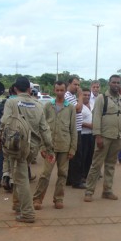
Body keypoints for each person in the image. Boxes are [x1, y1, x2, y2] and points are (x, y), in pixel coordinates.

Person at [0, 76, 52, 223]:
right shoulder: (38, 105)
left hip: (16, 147)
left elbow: (4, 122)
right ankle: (17, 205)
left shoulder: (11, 102)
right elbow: (45, 129)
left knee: (21, 178)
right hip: (32, 148)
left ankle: (28, 213)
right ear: (29, 89)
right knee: (19, 174)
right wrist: (49, 148)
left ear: (15, 89)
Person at [33, 81, 77, 210]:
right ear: (54, 90)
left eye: (62, 90)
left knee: (63, 174)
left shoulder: (70, 108)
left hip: (65, 147)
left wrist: (73, 148)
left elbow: (73, 129)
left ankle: (58, 199)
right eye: (57, 90)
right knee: (45, 174)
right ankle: (37, 199)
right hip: (50, 148)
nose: (59, 93)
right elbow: (41, 127)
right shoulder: (47, 106)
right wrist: (42, 146)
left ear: (65, 91)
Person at [84, 74, 121, 202]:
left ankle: (107, 191)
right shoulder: (102, 98)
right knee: (96, 165)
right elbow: (96, 117)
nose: (116, 85)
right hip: (104, 137)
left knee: (110, 165)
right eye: (114, 82)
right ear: (109, 83)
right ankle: (89, 191)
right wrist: (98, 136)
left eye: (118, 83)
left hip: (117, 137)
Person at [80, 89, 94, 186]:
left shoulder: (92, 105)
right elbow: (77, 121)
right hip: (82, 135)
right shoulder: (79, 106)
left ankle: (87, 175)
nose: (87, 97)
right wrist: (89, 125)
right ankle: (81, 176)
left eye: (88, 95)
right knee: (82, 157)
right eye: (85, 95)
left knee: (90, 155)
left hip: (92, 135)